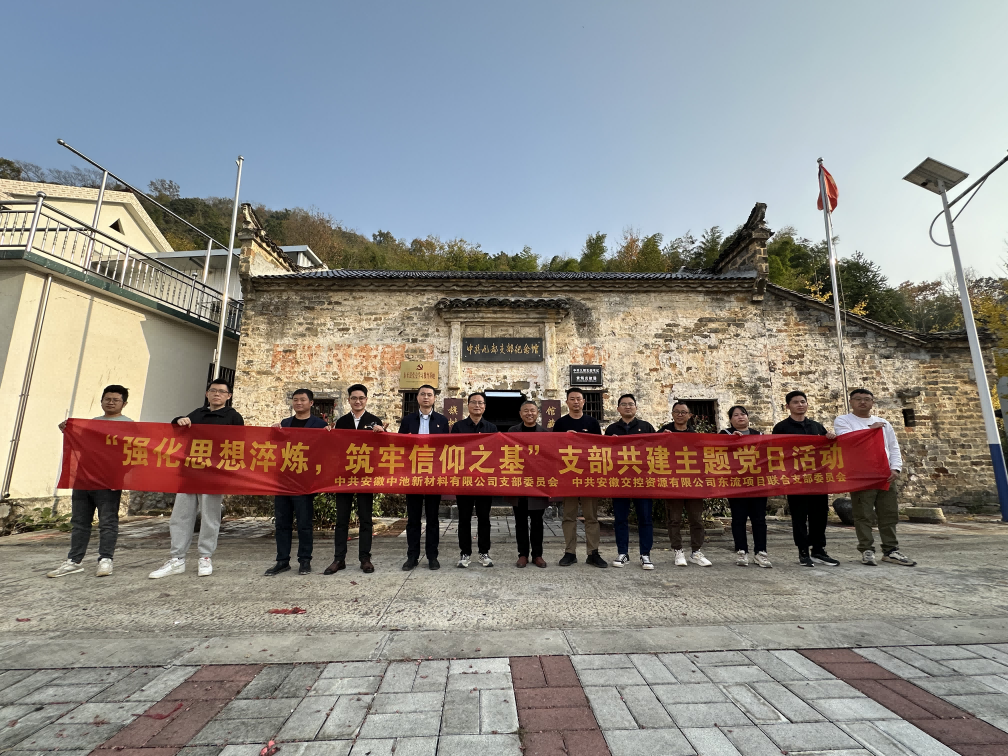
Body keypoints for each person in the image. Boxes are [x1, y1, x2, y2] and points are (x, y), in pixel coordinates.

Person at [149, 378, 244, 579]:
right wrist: (178, 420)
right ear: (207, 394)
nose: (217, 394)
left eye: (221, 391)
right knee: (180, 516)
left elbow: (239, 444)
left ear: (228, 396)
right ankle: (177, 558)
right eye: (213, 390)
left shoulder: (233, 417)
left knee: (210, 517)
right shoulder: (197, 414)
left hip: (214, 475)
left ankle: (205, 557)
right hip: (190, 473)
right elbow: (176, 431)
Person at [48, 385, 134, 579]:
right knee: (79, 522)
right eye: (107, 399)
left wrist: (118, 477)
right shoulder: (92, 423)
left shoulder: (128, 426)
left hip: (108, 481)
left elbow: (131, 455)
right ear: (101, 400)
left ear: (124, 404)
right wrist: (68, 430)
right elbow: (80, 445)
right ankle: (74, 561)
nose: (110, 402)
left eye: (116, 400)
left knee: (108, 521)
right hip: (84, 479)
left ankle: (106, 559)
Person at [834, 389, 916, 567]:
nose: (862, 402)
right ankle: (866, 549)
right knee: (863, 514)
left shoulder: (883, 423)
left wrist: (895, 468)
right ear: (851, 402)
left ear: (872, 402)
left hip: (884, 473)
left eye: (867, 399)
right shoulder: (843, 420)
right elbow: (847, 441)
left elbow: (893, 446)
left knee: (888, 513)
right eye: (858, 399)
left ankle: (891, 550)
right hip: (861, 474)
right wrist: (870, 431)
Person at [772, 390, 839, 568]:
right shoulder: (781, 428)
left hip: (817, 479)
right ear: (787, 406)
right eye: (795, 402)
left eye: (803, 401)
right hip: (795, 480)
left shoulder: (816, 427)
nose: (800, 405)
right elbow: (775, 452)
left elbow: (828, 450)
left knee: (820, 516)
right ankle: (803, 551)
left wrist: (830, 438)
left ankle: (818, 550)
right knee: (799, 517)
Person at [265, 388, 328, 577]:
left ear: (311, 403)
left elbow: (326, 450)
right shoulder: (285, 423)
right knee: (282, 523)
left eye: (302, 400)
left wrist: (329, 434)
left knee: (304, 523)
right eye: (295, 400)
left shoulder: (320, 425)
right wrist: (274, 433)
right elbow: (274, 448)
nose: (298, 403)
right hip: (283, 480)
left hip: (305, 482)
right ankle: (282, 560)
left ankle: (305, 560)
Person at [327, 384, 384, 575]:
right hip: (344, 477)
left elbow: (383, 449)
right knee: (342, 519)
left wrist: (382, 434)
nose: (357, 401)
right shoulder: (341, 422)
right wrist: (326, 433)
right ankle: (339, 559)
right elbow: (333, 447)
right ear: (349, 400)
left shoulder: (374, 421)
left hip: (366, 477)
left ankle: (365, 558)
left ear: (366, 400)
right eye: (354, 398)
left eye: (361, 398)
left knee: (366, 519)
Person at [399, 384, 450, 571]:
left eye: (429, 394)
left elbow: (446, 447)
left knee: (433, 518)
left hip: (433, 475)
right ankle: (412, 556)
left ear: (434, 398)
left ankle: (432, 556)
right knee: (413, 519)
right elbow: (399, 444)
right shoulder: (408, 420)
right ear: (417, 398)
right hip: (413, 474)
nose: (426, 397)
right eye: (423, 394)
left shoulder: (442, 421)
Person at [554, 388, 607, 568]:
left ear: (584, 402)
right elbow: (554, 448)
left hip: (588, 476)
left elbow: (599, 447)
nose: (576, 402)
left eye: (578, 399)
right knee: (569, 516)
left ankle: (593, 553)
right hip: (568, 476)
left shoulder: (592, 422)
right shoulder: (560, 423)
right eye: (572, 399)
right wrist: (566, 438)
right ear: (567, 402)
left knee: (591, 516)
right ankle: (570, 553)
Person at [605, 394, 655, 570]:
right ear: (618, 409)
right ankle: (622, 553)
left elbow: (657, 449)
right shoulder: (611, 429)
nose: (628, 407)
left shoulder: (646, 427)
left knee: (645, 518)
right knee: (620, 519)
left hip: (642, 481)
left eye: (631, 404)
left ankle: (645, 554)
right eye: (624, 404)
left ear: (636, 407)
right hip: (620, 481)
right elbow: (604, 454)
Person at [659, 401, 711, 567]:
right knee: (674, 519)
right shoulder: (663, 432)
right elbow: (650, 450)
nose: (680, 415)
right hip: (672, 483)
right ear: (672, 414)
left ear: (689, 416)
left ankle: (696, 551)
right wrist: (661, 439)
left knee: (696, 519)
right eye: (677, 412)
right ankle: (677, 550)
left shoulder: (695, 435)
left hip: (693, 483)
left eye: (683, 412)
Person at [719, 406, 771, 568]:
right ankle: (742, 551)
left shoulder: (759, 435)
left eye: (743, 414)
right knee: (738, 519)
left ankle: (761, 552)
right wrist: (731, 441)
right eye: (736, 415)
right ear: (730, 419)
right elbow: (716, 451)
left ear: (748, 417)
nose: (740, 417)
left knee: (759, 520)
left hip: (757, 483)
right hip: (736, 484)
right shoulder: (725, 434)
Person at [450, 392, 497, 567]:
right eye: (474, 402)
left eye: (481, 403)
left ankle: (484, 553)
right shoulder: (458, 427)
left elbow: (496, 452)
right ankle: (465, 553)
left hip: (484, 481)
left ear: (484, 406)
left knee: (484, 518)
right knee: (464, 519)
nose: (477, 405)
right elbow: (453, 451)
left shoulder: (491, 428)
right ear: (468, 405)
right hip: (464, 480)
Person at [506, 400, 550, 568]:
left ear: (537, 413)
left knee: (538, 522)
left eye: (532, 410)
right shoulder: (512, 432)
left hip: (537, 484)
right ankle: (522, 554)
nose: (529, 413)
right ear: (520, 414)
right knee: (521, 522)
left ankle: (537, 555)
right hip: (519, 484)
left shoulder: (545, 433)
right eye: (526, 411)